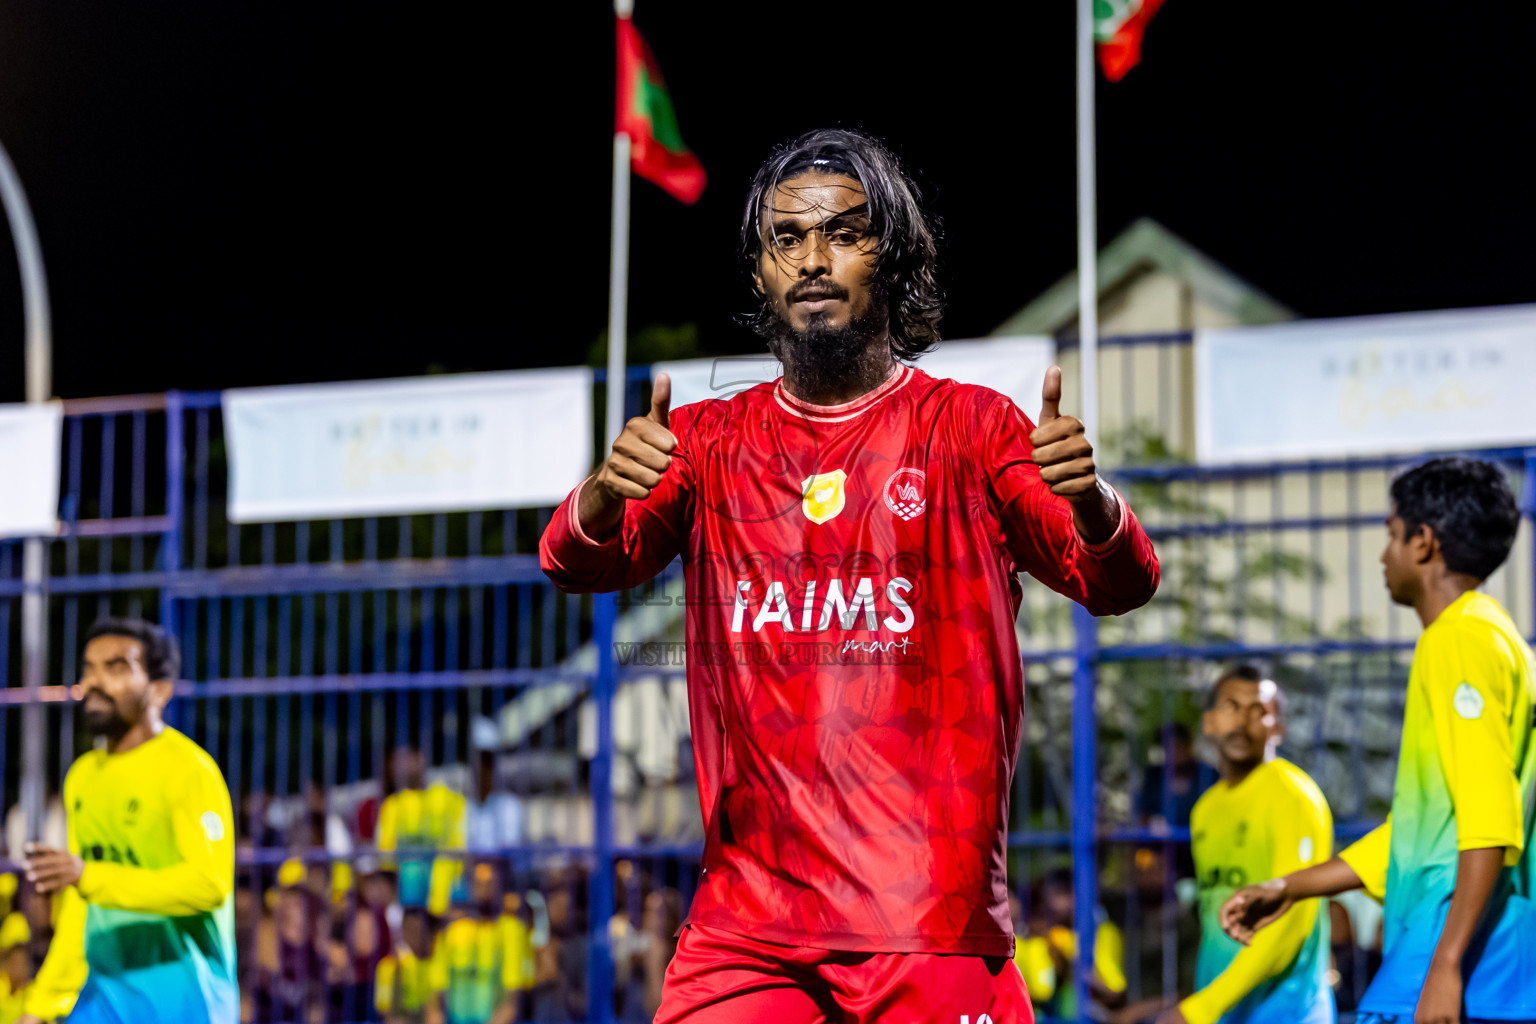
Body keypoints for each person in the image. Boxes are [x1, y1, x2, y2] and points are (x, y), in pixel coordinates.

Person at [540, 127, 1160, 1021]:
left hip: (924, 920)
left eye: (843, 232)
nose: (812, 259)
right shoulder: (710, 442)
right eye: (785, 240)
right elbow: (571, 560)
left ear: (893, 255)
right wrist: (602, 494)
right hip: (745, 932)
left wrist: (1093, 500)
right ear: (760, 272)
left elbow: (1120, 581)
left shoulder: (975, 428)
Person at [1221, 458, 1534, 1024]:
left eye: (1391, 535)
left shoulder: (1459, 641)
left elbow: (1491, 816)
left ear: (1423, 543)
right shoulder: (1496, 638)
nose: (1383, 554)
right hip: (1475, 951)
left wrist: (1447, 963)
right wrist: (1291, 886)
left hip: (1455, 948)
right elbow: (1424, 834)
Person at [18, 617, 236, 1024]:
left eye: (116, 667)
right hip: (103, 1002)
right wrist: (40, 1006)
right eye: (89, 667)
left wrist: (90, 877)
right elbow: (81, 908)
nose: (95, 681)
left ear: (159, 689)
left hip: (184, 1004)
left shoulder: (189, 771)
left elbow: (209, 885)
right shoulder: (82, 777)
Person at [1156, 667, 1333, 1024]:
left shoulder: (1292, 796)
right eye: (1231, 707)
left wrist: (1204, 1006)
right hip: (1222, 1012)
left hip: (1286, 1012)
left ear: (1278, 727)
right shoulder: (1205, 810)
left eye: (1258, 711)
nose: (1242, 721)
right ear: (1208, 723)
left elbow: (1291, 923)